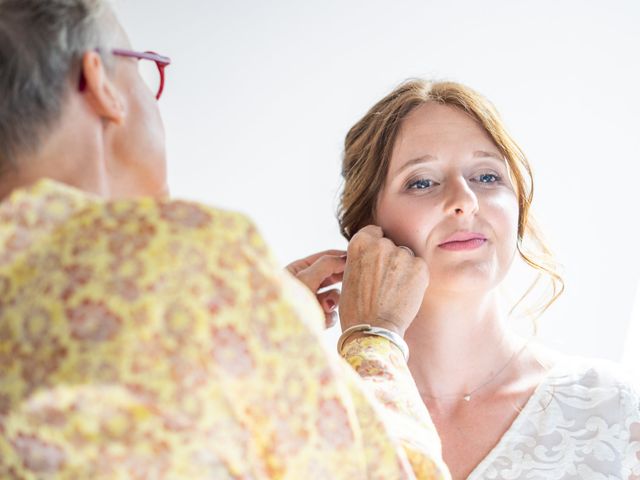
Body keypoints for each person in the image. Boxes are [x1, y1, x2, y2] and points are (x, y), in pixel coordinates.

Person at [0, 1, 450, 478]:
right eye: (145, 68)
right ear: (100, 83)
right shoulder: (184, 264)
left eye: (488, 176)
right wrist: (374, 337)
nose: (462, 203)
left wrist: (259, 315)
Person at [290, 80, 640, 479]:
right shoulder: (299, 411)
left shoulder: (612, 409)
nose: (465, 201)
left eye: (487, 177)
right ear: (366, 228)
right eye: (422, 181)